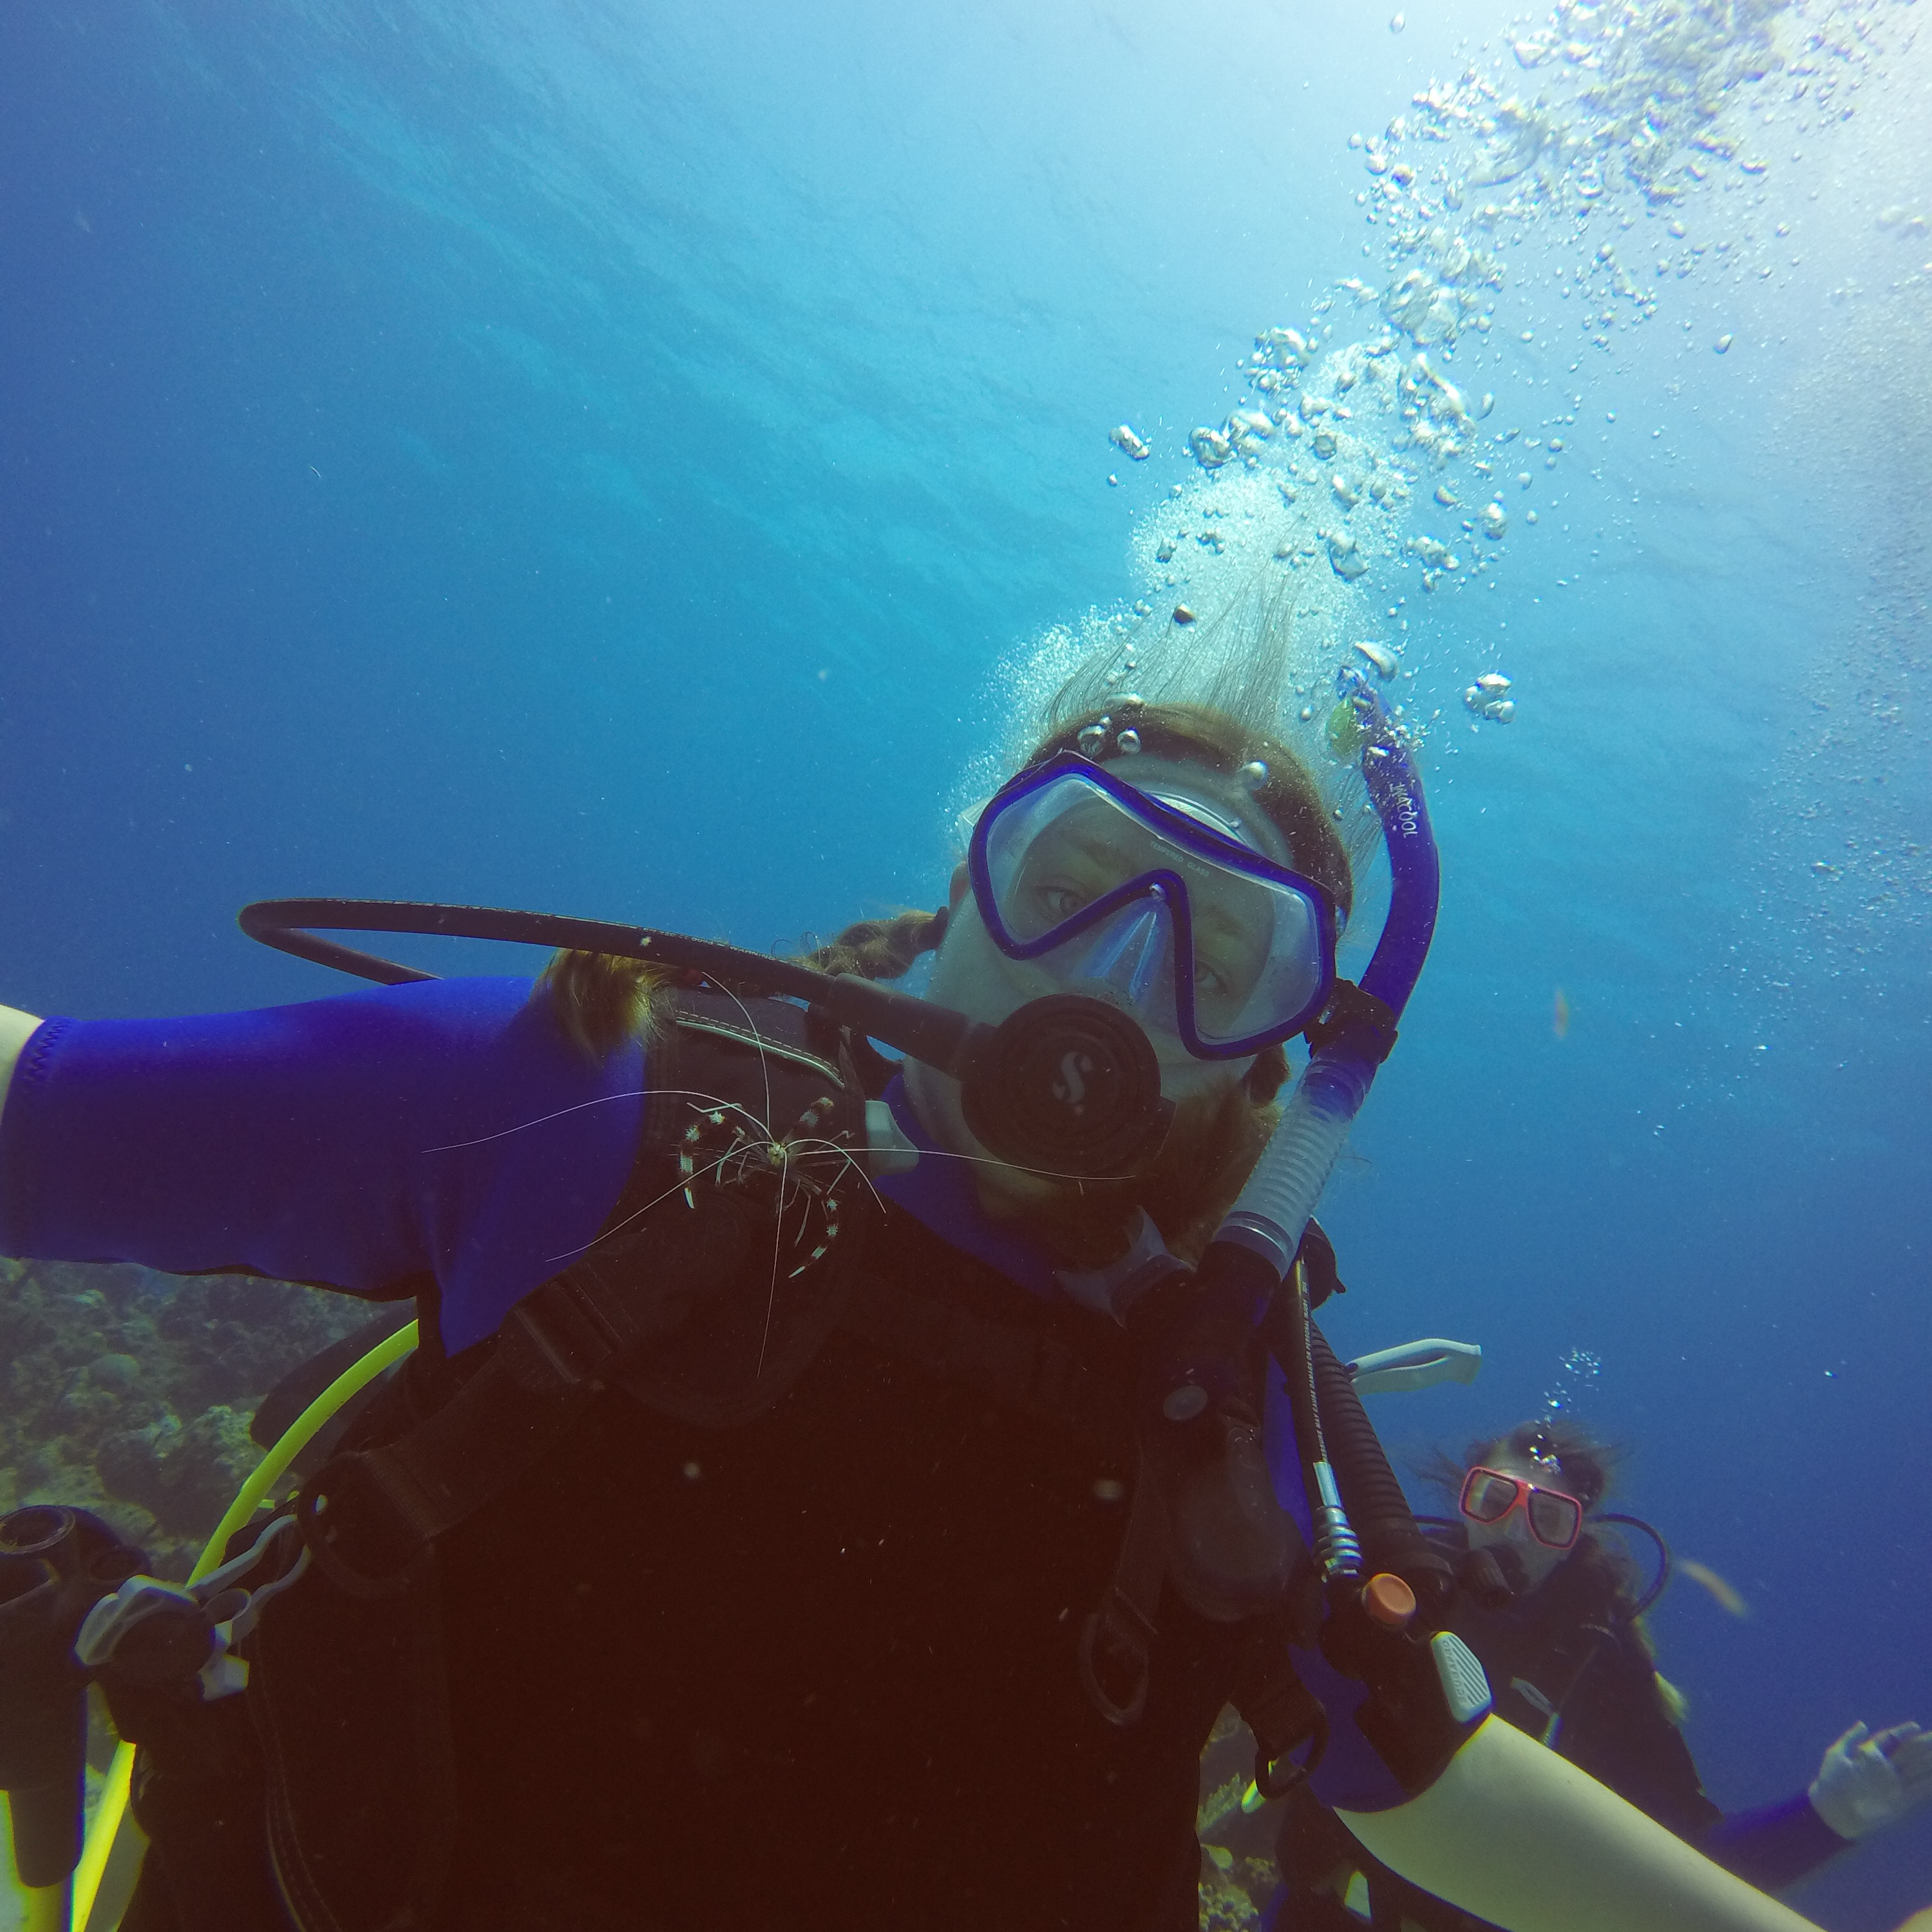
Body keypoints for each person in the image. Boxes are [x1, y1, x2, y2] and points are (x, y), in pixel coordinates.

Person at [0, 612, 1886, 1932]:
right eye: (1071, 876)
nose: (1116, 974)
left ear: (1272, 1054)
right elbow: (38, 1110)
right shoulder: (602, 1101)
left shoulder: (1220, 1383)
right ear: (962, 878)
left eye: (1221, 953)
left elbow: (1429, 1771)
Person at [1249, 1419, 1932, 1929]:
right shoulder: (1385, 1590)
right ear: (1462, 1499)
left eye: (1548, 1518)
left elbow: (1683, 1870)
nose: (1513, 1535)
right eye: (1494, 1500)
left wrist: (1826, 1817)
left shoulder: (1600, 1668)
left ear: (1577, 1537)